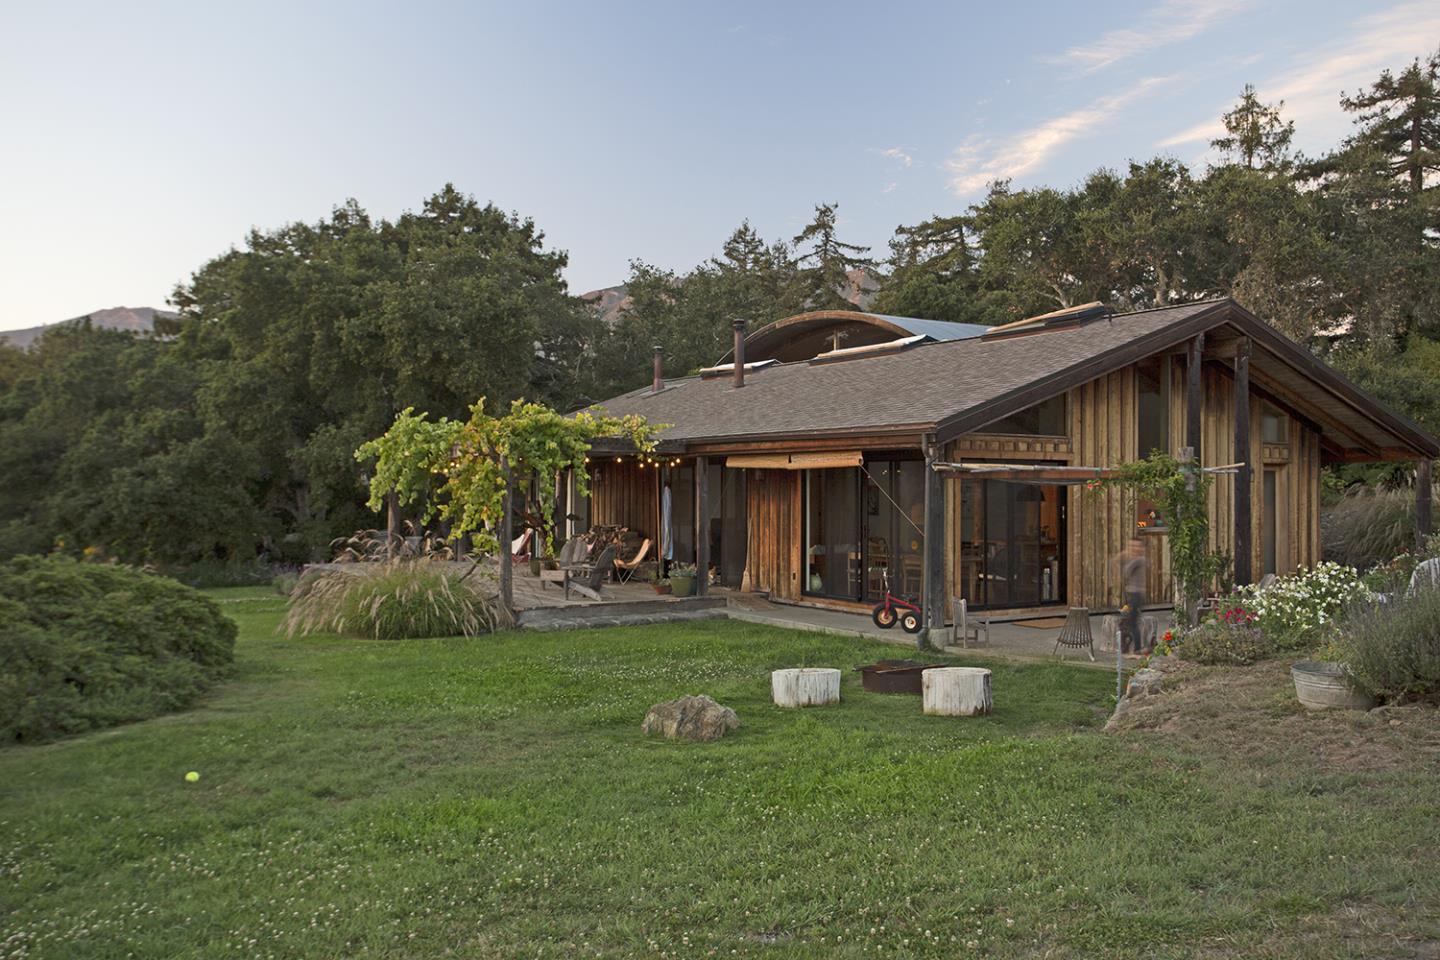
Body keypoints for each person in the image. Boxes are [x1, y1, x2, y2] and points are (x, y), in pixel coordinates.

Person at [1116, 537, 1149, 654]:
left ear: (1140, 548)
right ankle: (1132, 648)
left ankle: (1137, 649)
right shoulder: (1136, 559)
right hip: (1132, 594)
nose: (1133, 548)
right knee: (1130, 621)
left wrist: (1125, 556)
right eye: (1131, 546)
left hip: (1137, 595)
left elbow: (1126, 570)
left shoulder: (1139, 560)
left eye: (1136, 546)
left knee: (1133, 622)